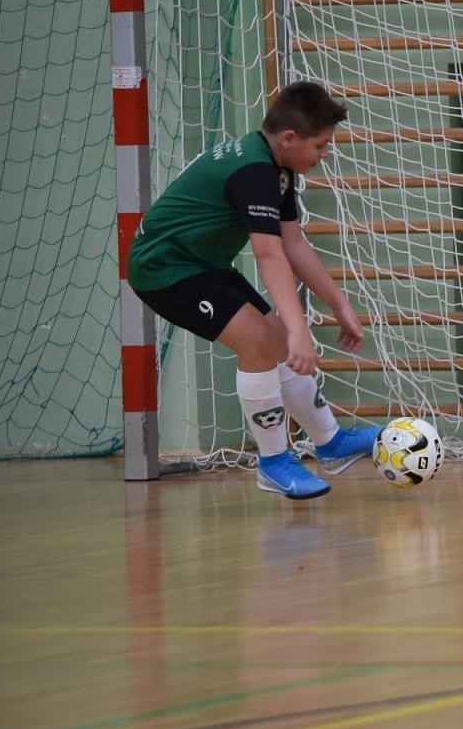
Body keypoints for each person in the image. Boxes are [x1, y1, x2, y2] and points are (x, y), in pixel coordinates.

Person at [127, 81, 384, 500]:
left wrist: (338, 304)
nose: (325, 154)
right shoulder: (254, 172)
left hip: (203, 264)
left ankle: (330, 443)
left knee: (276, 340)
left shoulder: (275, 168)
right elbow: (268, 256)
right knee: (261, 343)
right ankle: (273, 463)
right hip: (164, 268)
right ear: (289, 138)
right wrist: (299, 327)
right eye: (320, 146)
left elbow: (293, 243)